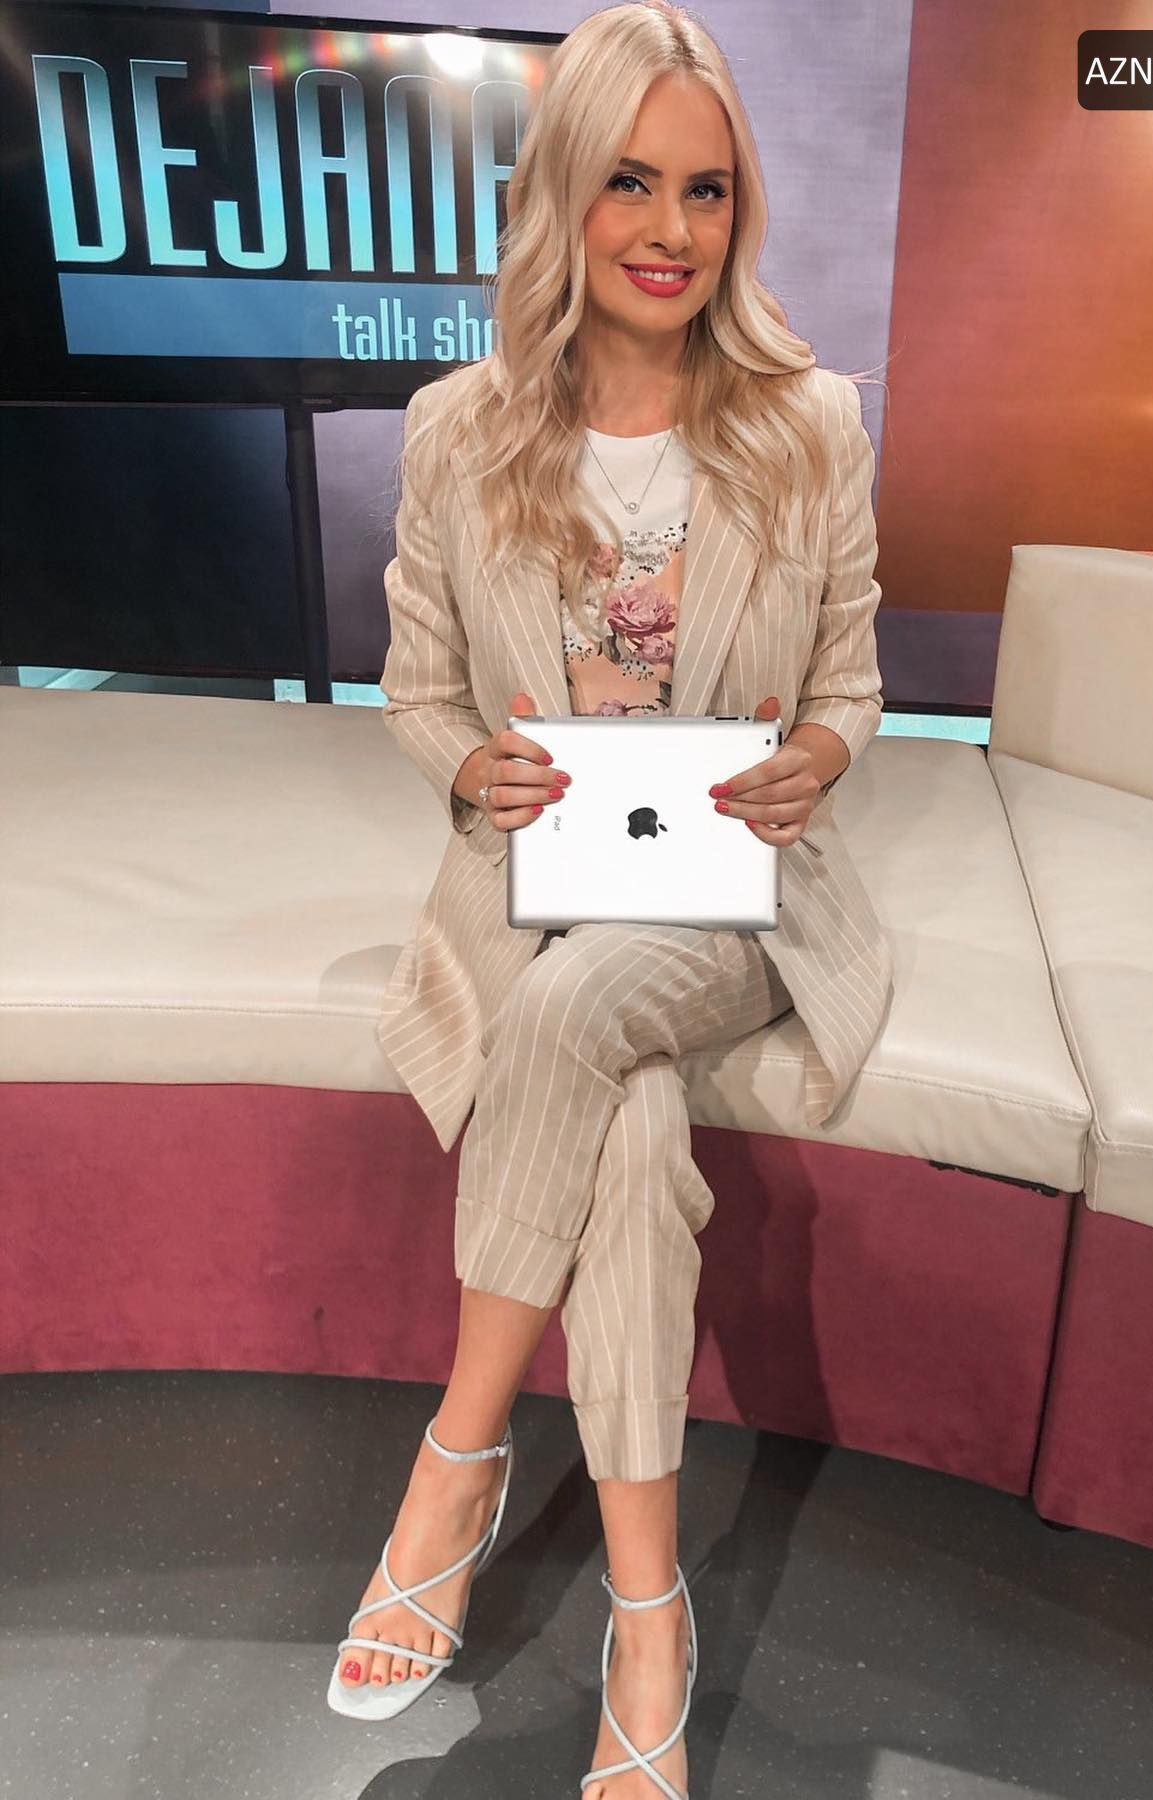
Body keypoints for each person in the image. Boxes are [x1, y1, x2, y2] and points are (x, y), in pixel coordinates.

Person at [331, 4, 894, 1793]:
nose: (670, 230)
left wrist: (814, 756)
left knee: (585, 1015)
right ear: (562, 194)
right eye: (630, 183)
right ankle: (651, 1619)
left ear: (741, 211)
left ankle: (454, 1464)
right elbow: (418, 691)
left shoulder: (811, 424)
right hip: (541, 885)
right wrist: (467, 770)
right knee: (633, 1132)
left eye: (706, 190)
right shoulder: (458, 430)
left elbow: (852, 687)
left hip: (734, 895)